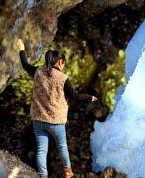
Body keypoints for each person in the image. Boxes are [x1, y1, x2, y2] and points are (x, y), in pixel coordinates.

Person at [16, 39, 98, 178]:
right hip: (56, 121)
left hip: (38, 119)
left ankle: (43, 176)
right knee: (62, 147)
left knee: (41, 150)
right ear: (60, 62)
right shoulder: (63, 78)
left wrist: (22, 48)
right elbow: (74, 96)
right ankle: (68, 172)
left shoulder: (38, 72)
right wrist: (89, 97)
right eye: (64, 63)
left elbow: (25, 65)